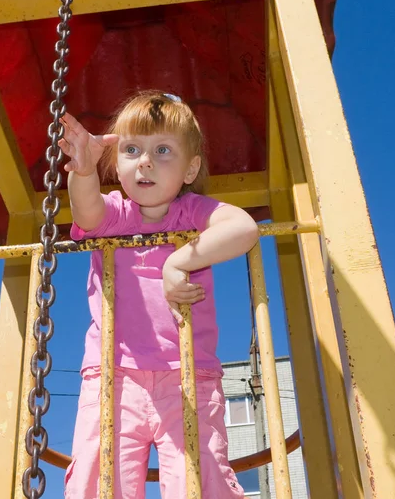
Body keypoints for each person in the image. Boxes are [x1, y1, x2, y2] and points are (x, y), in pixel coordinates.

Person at [59, 91, 259, 499]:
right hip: (113, 373)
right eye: (132, 149)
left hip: (189, 375)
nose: (145, 161)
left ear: (190, 169)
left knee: (202, 480)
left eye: (163, 150)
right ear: (117, 163)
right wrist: (83, 172)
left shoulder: (193, 212)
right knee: (96, 480)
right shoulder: (116, 212)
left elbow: (243, 228)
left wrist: (178, 261)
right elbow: (86, 213)